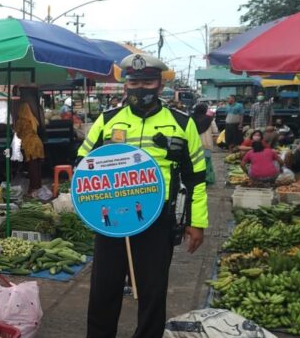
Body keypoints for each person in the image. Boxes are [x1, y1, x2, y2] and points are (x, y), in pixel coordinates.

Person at [77, 53, 207, 338]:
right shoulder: (106, 121)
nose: (141, 88)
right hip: (110, 220)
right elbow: (82, 164)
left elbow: (196, 178)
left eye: (148, 82)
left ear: (160, 85)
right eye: (134, 82)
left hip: (156, 220)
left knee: (152, 290)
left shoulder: (182, 124)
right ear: (126, 85)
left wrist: (197, 222)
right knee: (103, 290)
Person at [15, 102, 46, 194]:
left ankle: (34, 188)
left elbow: (17, 133)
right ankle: (38, 186)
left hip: (29, 145)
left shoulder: (21, 121)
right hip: (38, 143)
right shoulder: (33, 119)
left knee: (32, 168)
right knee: (37, 166)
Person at [192, 103, 218, 184]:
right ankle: (207, 179)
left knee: (196, 162)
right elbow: (215, 131)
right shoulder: (210, 119)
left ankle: (197, 179)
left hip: (195, 144)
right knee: (207, 162)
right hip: (207, 144)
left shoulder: (191, 119)